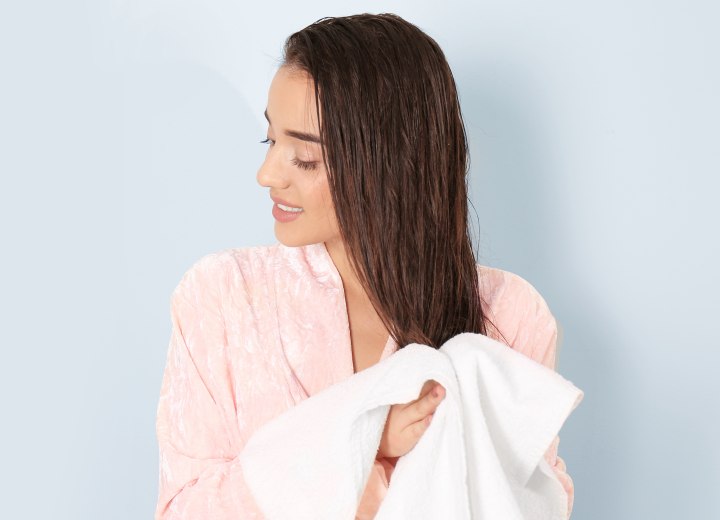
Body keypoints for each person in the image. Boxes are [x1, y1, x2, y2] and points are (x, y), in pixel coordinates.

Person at [154, 12, 575, 520]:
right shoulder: (222, 299)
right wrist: (365, 438)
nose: (267, 174)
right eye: (270, 141)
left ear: (386, 163)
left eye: (305, 159)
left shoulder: (509, 317)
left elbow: (531, 503)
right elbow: (184, 510)